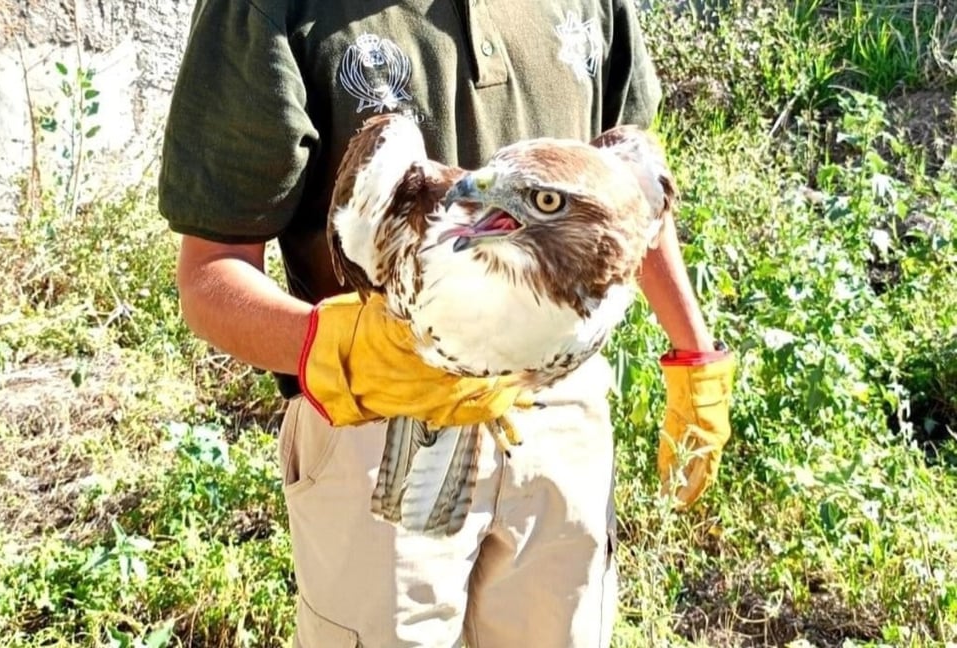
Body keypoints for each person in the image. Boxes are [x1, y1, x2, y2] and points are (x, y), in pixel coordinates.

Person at [157, 1, 735, 646]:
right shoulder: (267, 9)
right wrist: (339, 351)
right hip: (379, 420)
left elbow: (627, 204)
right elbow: (208, 276)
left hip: (559, 408)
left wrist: (696, 357)